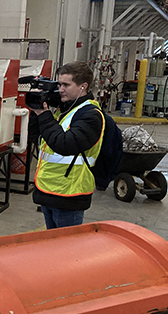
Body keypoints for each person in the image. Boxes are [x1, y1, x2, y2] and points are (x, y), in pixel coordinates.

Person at [29, 61, 104, 229]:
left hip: (70, 195)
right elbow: (39, 139)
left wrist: (44, 115)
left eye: (65, 85)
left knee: (67, 249)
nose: (60, 89)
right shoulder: (65, 111)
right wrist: (37, 113)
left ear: (83, 86)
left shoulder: (91, 115)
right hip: (49, 190)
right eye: (59, 84)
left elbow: (64, 144)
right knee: (53, 247)